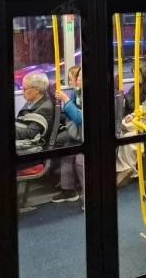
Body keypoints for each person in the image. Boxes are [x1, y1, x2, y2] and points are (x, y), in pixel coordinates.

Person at [53, 67, 84, 203]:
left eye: (80, 76)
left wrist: (65, 99)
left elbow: (79, 118)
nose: (77, 79)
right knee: (66, 151)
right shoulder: (77, 93)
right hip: (78, 133)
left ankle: (88, 195)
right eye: (78, 76)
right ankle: (68, 190)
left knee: (80, 161)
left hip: (85, 134)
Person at [15, 71, 55, 153]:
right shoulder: (32, 100)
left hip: (33, 146)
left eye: (24, 89)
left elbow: (30, 134)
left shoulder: (45, 108)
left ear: (36, 89)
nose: (22, 92)